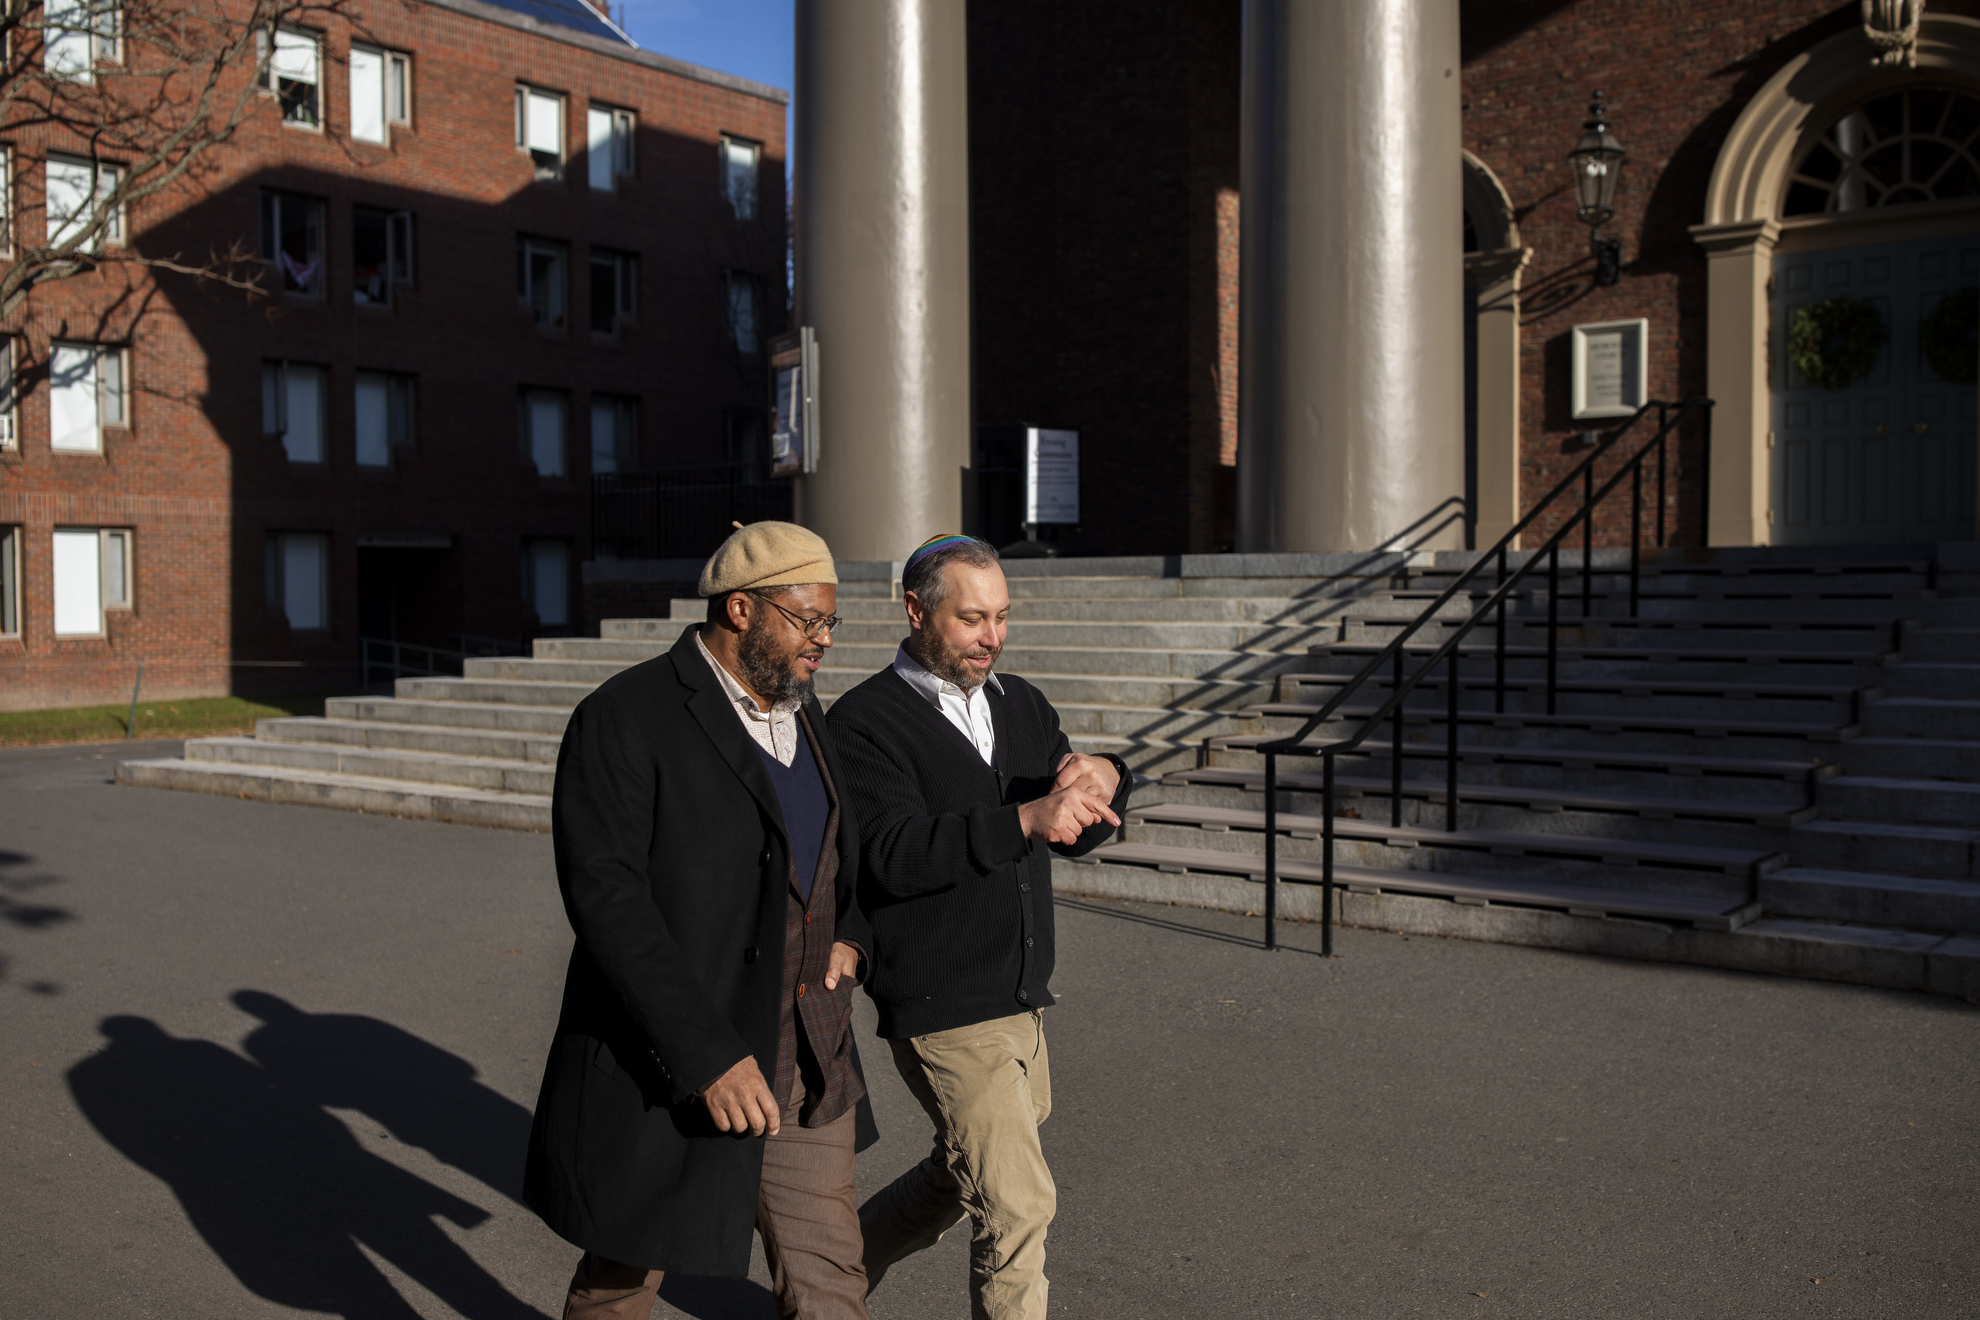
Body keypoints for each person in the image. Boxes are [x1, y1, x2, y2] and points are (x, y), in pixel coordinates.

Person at [524, 520, 876, 1320]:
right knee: (623, 1279)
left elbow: (833, 860)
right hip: (679, 1061)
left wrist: (853, 935)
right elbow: (608, 903)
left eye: (831, 623)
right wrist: (706, 1055)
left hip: (808, 1061)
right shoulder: (625, 717)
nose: (823, 641)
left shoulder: (805, 713)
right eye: (807, 620)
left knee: (830, 1283)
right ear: (742, 610)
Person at [826, 533, 1132, 1320]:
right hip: (942, 1000)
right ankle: (823, 1281)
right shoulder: (864, 721)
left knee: (962, 1176)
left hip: (1022, 995)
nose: (991, 637)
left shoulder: (1022, 702)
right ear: (915, 610)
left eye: (1001, 617)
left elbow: (1081, 822)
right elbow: (891, 854)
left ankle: (827, 1278)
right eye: (971, 619)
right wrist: (1025, 815)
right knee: (1019, 1204)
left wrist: (1107, 776)